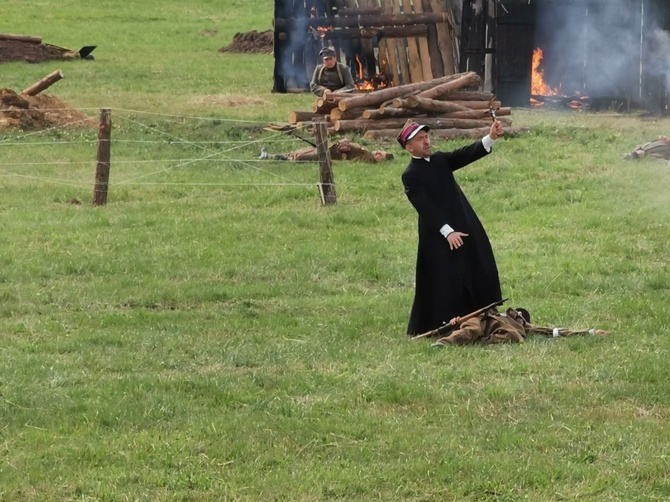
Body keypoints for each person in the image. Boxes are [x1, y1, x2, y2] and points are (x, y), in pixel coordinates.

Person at [400, 118, 505, 337]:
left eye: (426, 137)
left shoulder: (440, 160)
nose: (426, 142)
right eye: (420, 139)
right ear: (409, 147)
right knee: (446, 278)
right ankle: (446, 322)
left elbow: (464, 154)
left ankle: (482, 312)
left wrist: (490, 138)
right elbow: (425, 206)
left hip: (464, 223)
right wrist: (447, 232)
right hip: (437, 235)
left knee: (479, 264)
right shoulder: (410, 175)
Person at [430, 306, 609, 347]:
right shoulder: (493, 311)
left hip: (492, 332)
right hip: (478, 320)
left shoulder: (523, 327)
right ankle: (446, 342)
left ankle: (480, 341)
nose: (519, 315)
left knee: (515, 337)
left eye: (522, 316)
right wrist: (456, 321)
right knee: (472, 329)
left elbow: (553, 331)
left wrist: (588, 332)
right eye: (518, 312)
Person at [261, 138, 393, 163]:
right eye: (380, 151)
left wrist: (343, 153)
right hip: (331, 148)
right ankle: (270, 155)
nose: (378, 152)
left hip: (332, 155)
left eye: (381, 154)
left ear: (382, 161)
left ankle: (270, 158)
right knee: (301, 151)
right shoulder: (368, 153)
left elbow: (350, 162)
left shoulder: (369, 159)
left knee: (301, 157)